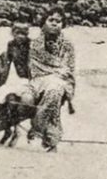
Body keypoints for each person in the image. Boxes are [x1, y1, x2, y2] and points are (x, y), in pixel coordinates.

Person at [26, 9, 76, 152]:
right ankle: (51, 139)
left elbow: (69, 67)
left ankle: (37, 130)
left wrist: (58, 73)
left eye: (58, 21)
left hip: (61, 79)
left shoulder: (67, 45)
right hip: (39, 78)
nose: (54, 24)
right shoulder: (35, 44)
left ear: (63, 24)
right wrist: (55, 71)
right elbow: (34, 66)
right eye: (51, 20)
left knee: (55, 90)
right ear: (43, 23)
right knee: (52, 90)